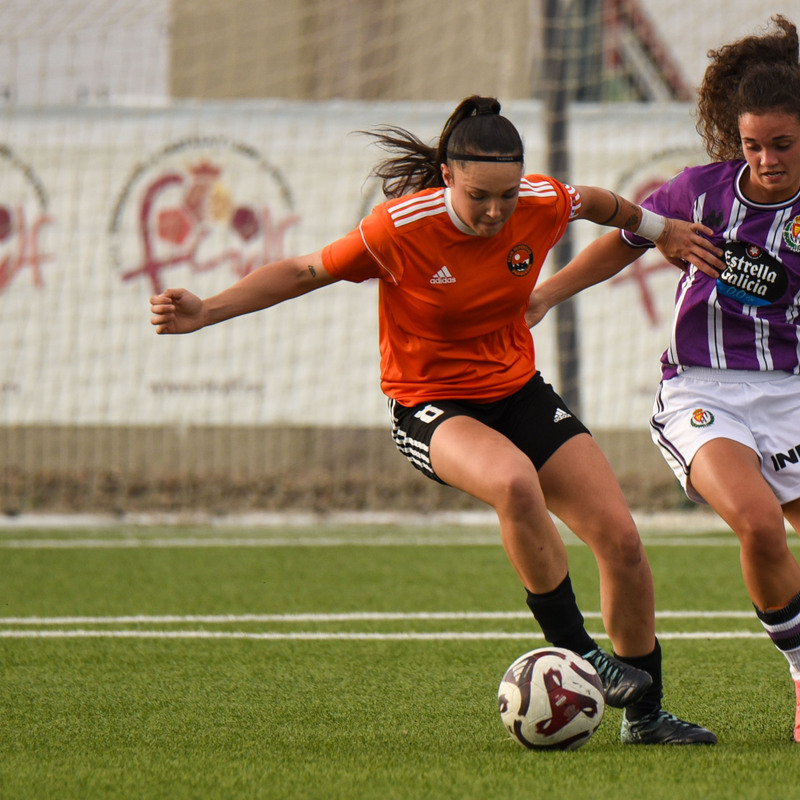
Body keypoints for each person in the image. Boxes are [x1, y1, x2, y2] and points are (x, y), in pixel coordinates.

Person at [149, 95, 725, 745]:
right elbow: (306, 269)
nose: (495, 211)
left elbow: (593, 202)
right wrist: (207, 311)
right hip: (430, 407)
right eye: (480, 195)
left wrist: (659, 230)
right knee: (513, 483)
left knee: (621, 541)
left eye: (507, 196)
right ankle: (581, 653)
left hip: (518, 392)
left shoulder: (539, 202)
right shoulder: (398, 227)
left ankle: (646, 719)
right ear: (448, 176)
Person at [526, 18, 800, 744]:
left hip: (791, 398)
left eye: (782, 144)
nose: (766, 159)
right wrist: (549, 293)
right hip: (700, 392)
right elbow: (623, 240)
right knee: (759, 523)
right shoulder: (699, 193)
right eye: (752, 145)